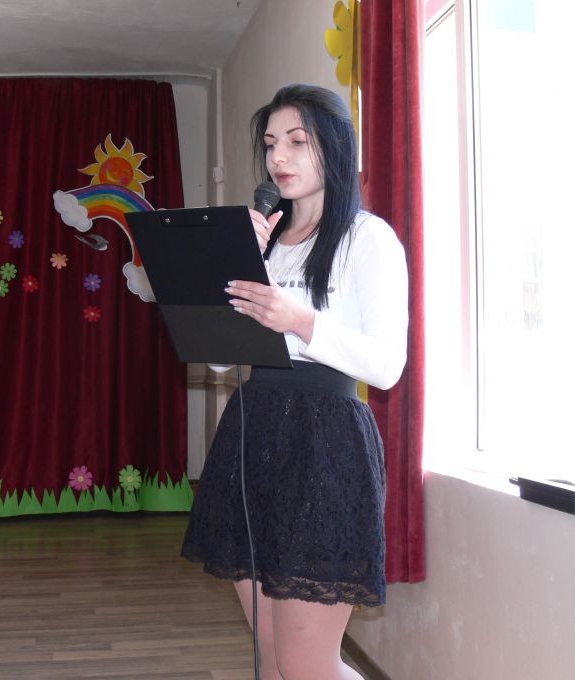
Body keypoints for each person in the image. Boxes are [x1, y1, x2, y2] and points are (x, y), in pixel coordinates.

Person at [181, 84, 408, 680]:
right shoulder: (264, 244)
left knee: (307, 664)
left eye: (297, 141)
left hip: (325, 445)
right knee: (275, 657)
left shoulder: (367, 238)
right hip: (253, 436)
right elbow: (222, 364)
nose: (278, 157)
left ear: (334, 147)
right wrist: (232, 266)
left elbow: (387, 365)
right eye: (270, 143)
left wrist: (301, 321)